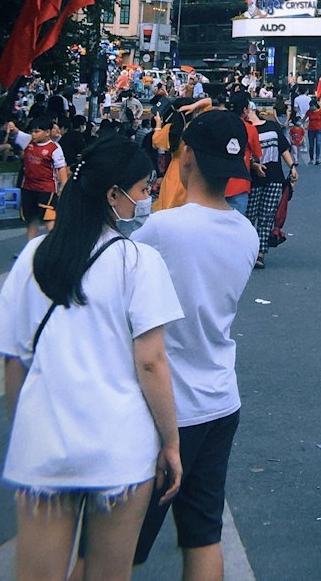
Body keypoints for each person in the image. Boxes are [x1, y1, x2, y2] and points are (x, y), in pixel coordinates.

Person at [0, 135, 184, 581]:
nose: (147, 197)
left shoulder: (35, 256)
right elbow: (151, 362)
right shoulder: (139, 262)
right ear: (113, 194)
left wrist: (25, 427)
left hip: (44, 443)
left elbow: (13, 361)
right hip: (119, 448)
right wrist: (171, 442)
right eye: (144, 187)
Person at [132, 111, 259, 581]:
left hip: (166, 408)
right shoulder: (246, 234)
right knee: (203, 535)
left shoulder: (164, 229)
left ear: (185, 156)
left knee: (118, 545)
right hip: (220, 400)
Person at [247, 98, 295, 270]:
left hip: (274, 177)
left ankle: (261, 253)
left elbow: (283, 148)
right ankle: (248, 251)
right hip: (253, 179)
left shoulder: (272, 126)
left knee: (267, 217)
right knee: (249, 216)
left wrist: (292, 166)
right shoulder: (245, 129)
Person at [6, 113, 69, 241]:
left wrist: (63, 186)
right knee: (31, 219)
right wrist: (12, 127)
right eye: (32, 132)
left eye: (37, 131)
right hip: (28, 188)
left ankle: (53, 247)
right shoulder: (28, 141)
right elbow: (17, 133)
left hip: (46, 190)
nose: (33, 134)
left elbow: (61, 168)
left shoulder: (54, 148)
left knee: (49, 219)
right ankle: (30, 248)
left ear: (47, 132)